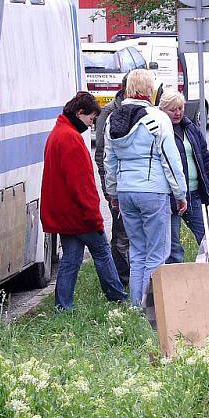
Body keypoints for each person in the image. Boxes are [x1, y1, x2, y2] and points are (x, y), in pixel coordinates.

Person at [103, 70, 187, 307]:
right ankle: (153, 308)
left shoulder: (113, 120)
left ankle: (136, 306)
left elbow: (109, 161)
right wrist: (180, 194)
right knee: (158, 253)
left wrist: (113, 193)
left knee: (137, 251)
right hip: (153, 190)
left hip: (126, 191)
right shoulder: (157, 118)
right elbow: (170, 160)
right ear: (150, 90)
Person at [41, 92, 128, 311]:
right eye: (91, 118)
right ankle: (117, 297)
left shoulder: (58, 132)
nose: (91, 124)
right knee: (102, 253)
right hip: (80, 215)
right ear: (80, 113)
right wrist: (94, 216)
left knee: (70, 260)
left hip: (65, 214)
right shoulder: (70, 138)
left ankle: (63, 306)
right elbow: (81, 184)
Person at [159, 90, 209, 263]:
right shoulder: (161, 132)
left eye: (180, 108)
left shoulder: (191, 129)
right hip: (172, 198)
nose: (178, 113)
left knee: (208, 239)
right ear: (162, 110)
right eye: (172, 110)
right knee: (173, 246)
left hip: (195, 195)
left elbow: (206, 160)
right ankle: (174, 283)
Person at [94, 75, 130, 288]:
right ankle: (121, 279)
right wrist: (108, 188)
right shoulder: (108, 113)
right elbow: (102, 153)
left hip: (135, 185)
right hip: (116, 183)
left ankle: (133, 276)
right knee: (121, 233)